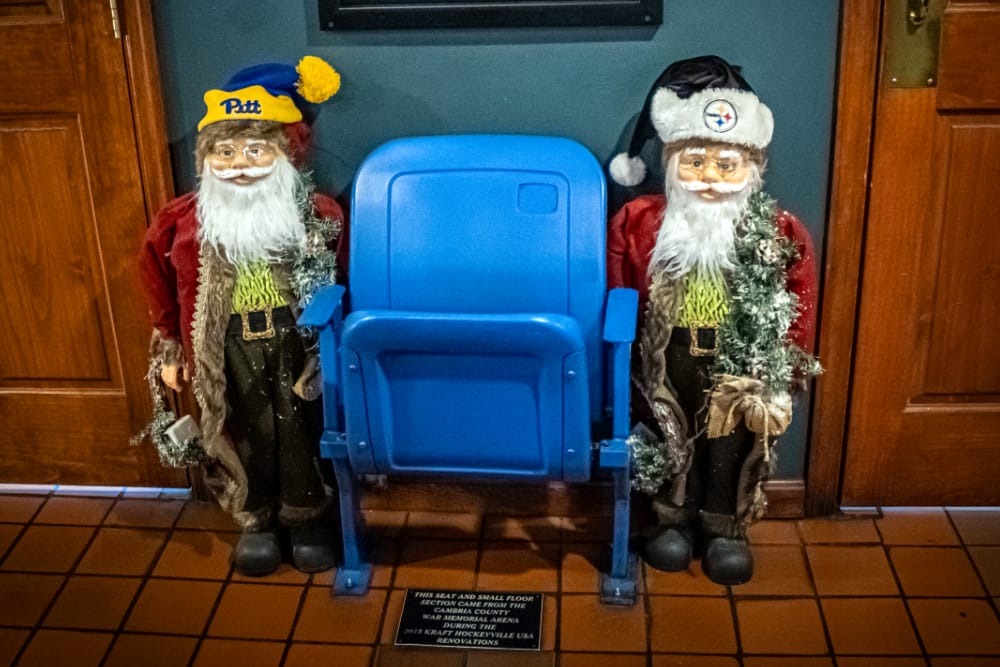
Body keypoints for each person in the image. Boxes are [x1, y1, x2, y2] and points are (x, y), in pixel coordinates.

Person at [606, 55, 819, 585]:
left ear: (752, 169)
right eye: (695, 162)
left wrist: (786, 367)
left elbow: (800, 298)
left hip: (738, 362)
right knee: (671, 436)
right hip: (668, 357)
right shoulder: (638, 222)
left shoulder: (778, 231)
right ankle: (672, 519)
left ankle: (726, 529)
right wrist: (620, 359)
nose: (709, 178)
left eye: (727, 165)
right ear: (672, 162)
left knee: (730, 445)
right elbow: (618, 287)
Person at [138, 56, 347, 577]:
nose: (240, 165)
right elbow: (156, 279)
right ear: (206, 158)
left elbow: (345, 277)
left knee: (300, 428)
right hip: (225, 346)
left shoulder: (318, 214)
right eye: (225, 152)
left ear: (286, 151)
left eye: (256, 150)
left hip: (294, 342)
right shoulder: (180, 221)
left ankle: (307, 516)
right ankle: (256, 520)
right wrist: (169, 346)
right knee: (242, 430)